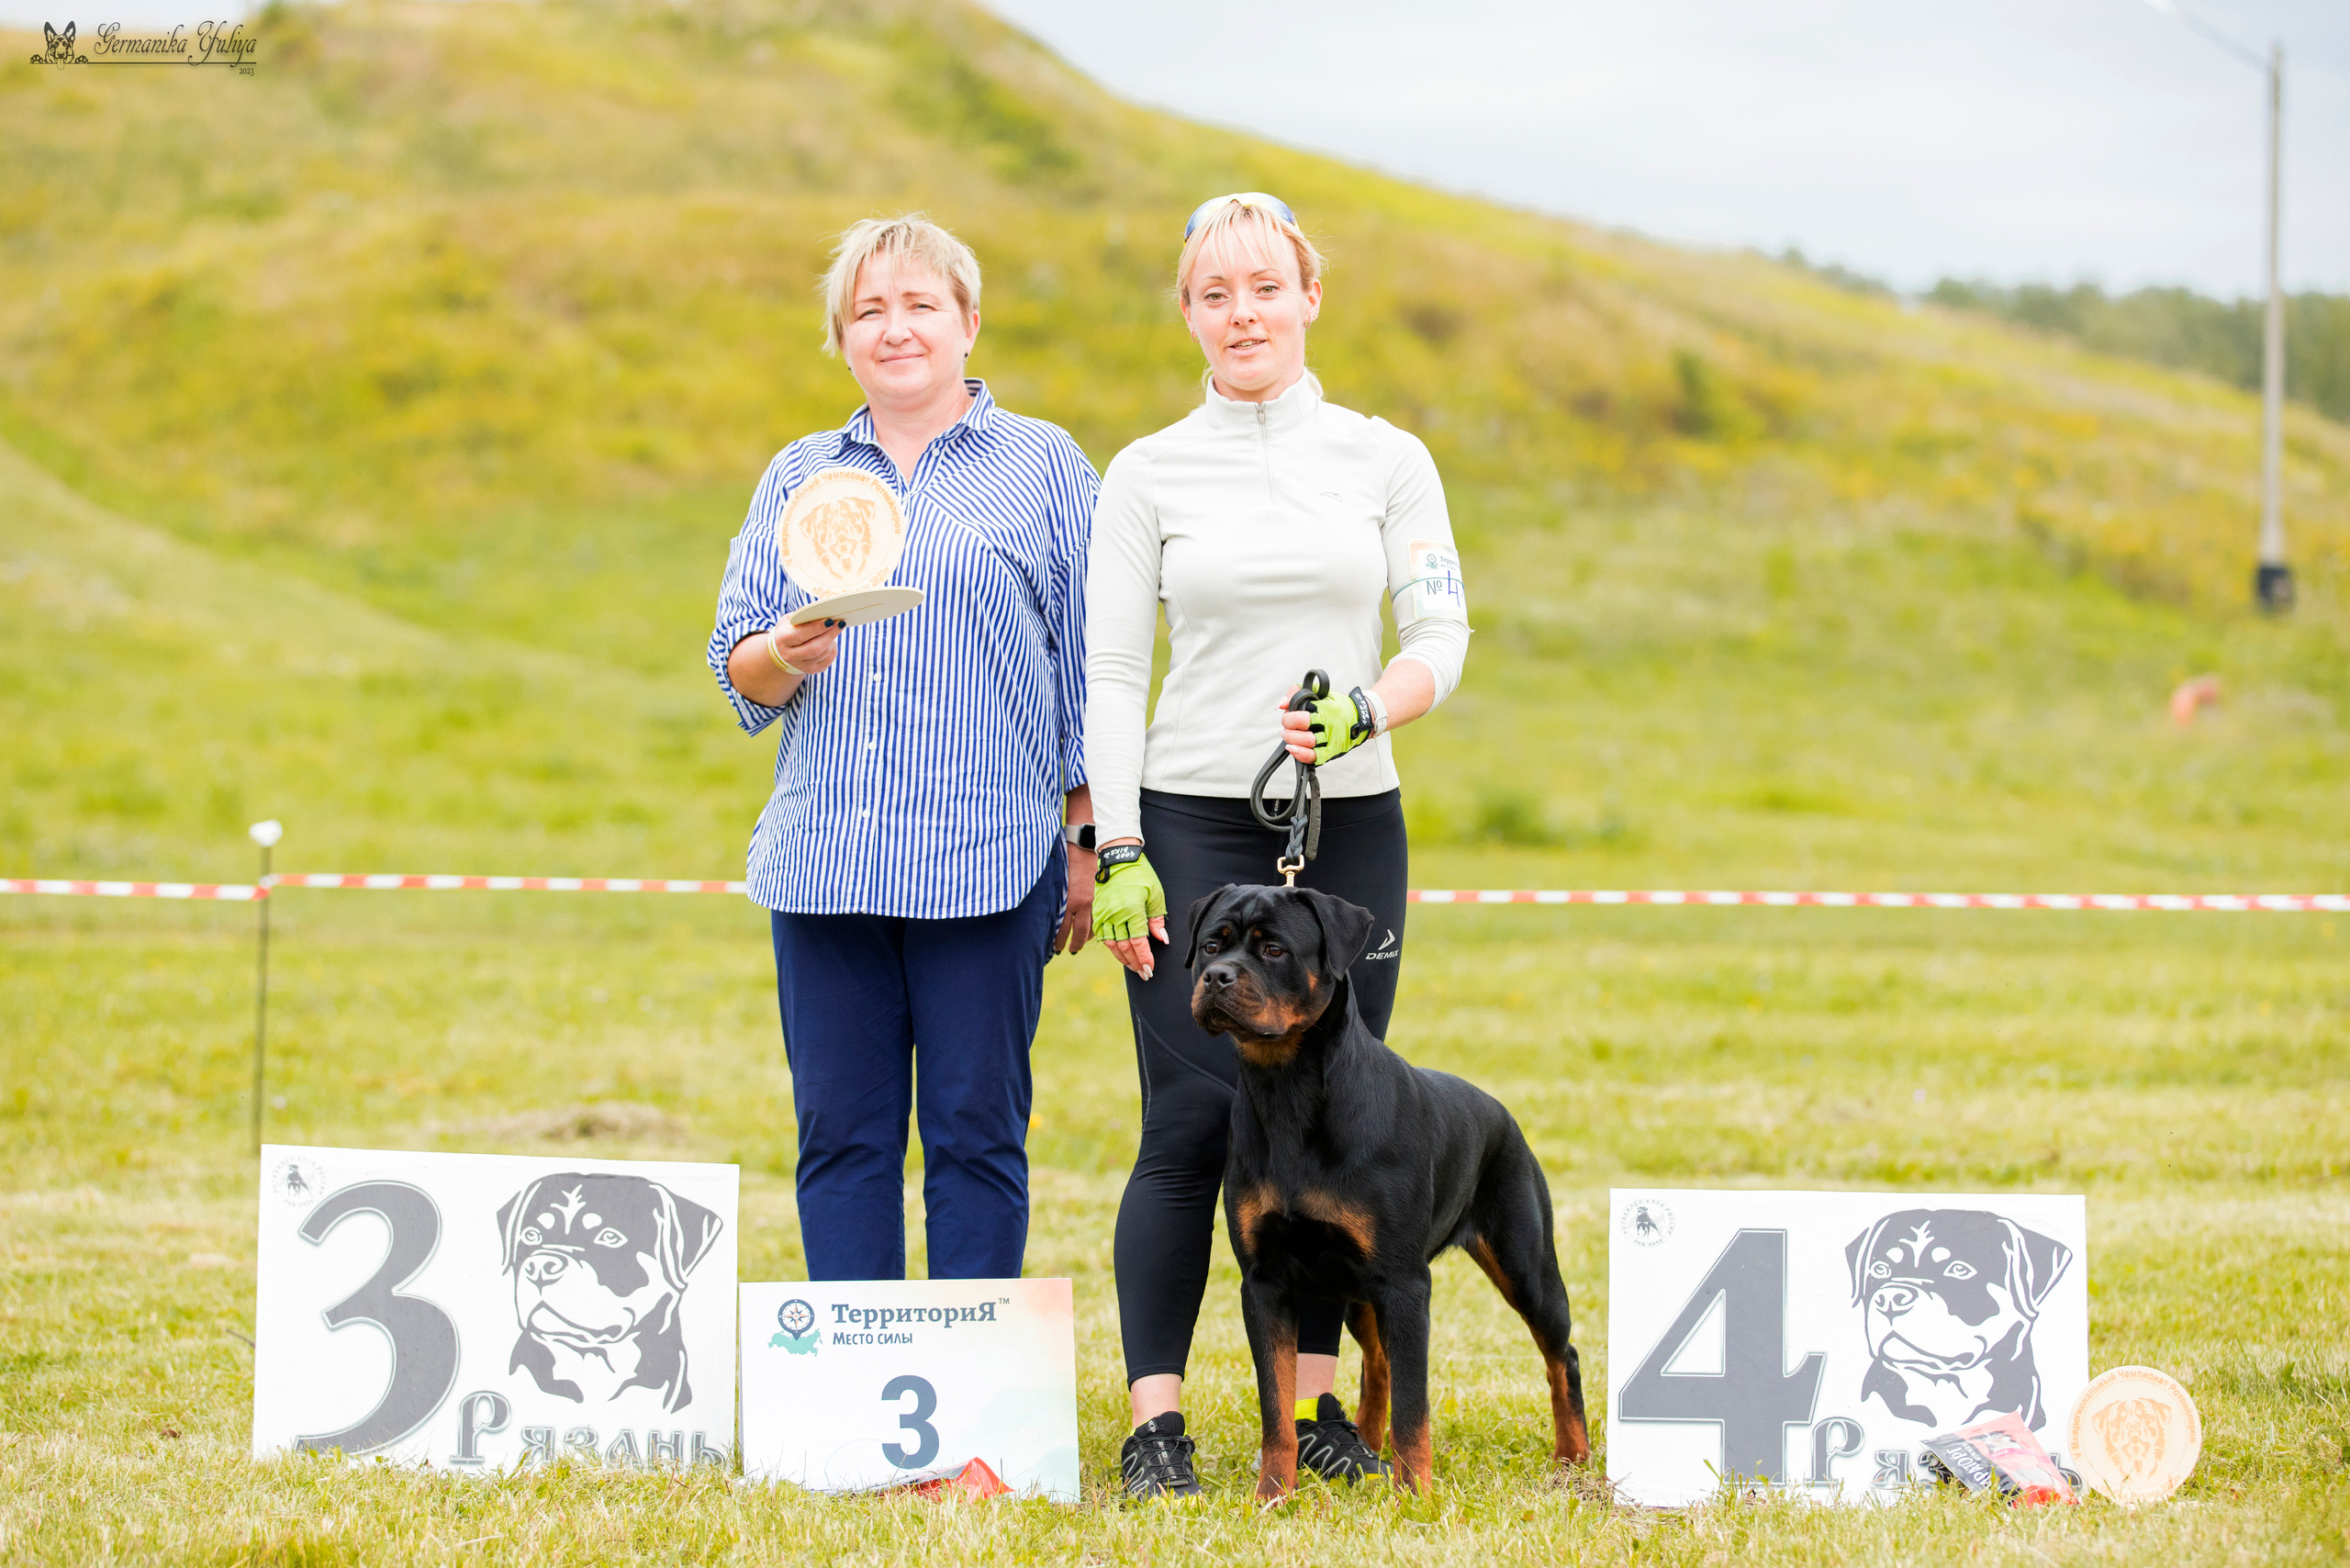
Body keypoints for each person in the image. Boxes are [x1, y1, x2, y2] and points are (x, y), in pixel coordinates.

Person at [1083, 193, 1472, 1497]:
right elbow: (1109, 672)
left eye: (1264, 286)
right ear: (1187, 311)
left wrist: (1370, 707)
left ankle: (1311, 1418)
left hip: (1349, 819)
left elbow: (1442, 640)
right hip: (1190, 816)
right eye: (1212, 292)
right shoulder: (1144, 472)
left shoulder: (1386, 457)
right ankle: (1158, 1426)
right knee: (1193, 1123)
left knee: (1334, 1123)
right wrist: (1122, 840)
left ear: (1311, 295)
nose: (1240, 311)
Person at [707, 215, 1098, 1283]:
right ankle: (852, 1397)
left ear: (969, 323)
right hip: (826, 859)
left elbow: (1088, 664)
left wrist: (1086, 840)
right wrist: (785, 651)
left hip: (986, 862)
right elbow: (736, 665)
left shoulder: (1045, 465)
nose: (896, 328)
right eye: (868, 311)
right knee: (841, 1139)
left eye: (920, 304)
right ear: (840, 338)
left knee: (976, 1140)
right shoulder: (800, 473)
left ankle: (971, 1396)